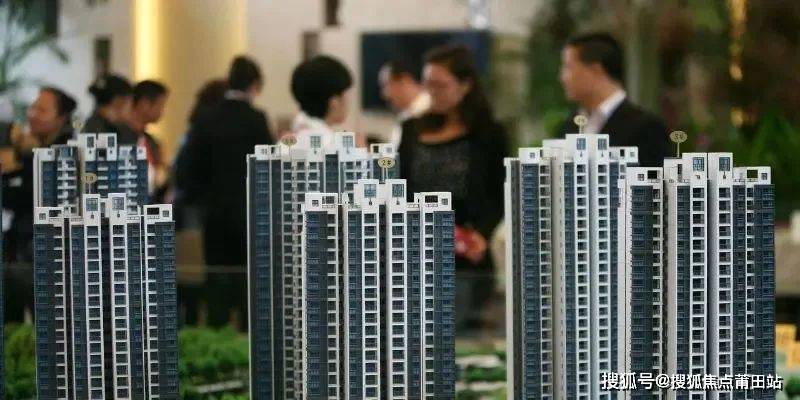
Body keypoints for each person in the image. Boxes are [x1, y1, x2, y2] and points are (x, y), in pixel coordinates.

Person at [398, 45, 508, 331]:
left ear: (465, 85)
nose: (431, 92)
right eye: (427, 83)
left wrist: (481, 234)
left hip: (466, 256)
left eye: (440, 85)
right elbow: (399, 187)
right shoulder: (411, 130)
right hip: (416, 252)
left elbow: (500, 194)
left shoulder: (489, 134)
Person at [176, 56, 273, 328]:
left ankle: (217, 333)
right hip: (250, 216)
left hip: (214, 216)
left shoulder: (207, 119)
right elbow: (268, 168)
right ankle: (247, 337)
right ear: (254, 85)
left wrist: (201, 199)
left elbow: (188, 169)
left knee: (216, 280)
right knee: (248, 284)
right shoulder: (256, 120)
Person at [2, 87, 77, 322]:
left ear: (61, 118)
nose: (32, 114)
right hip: (22, 247)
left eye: (42, 110)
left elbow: (26, 198)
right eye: (33, 107)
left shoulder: (64, 154)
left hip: (44, 254)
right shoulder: (34, 149)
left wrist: (13, 167)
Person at [559, 32, 670, 167]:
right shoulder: (570, 126)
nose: (562, 77)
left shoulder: (646, 129)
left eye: (568, 67)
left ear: (595, 70)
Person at [290, 55, 353, 146]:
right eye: (346, 95)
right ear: (334, 102)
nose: (349, 102)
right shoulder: (331, 146)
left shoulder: (285, 142)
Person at [127, 80, 169, 201]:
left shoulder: (151, 141)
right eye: (160, 105)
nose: (162, 111)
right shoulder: (123, 138)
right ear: (144, 103)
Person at [379, 60, 430, 147]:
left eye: (386, 85)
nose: (384, 95)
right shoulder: (407, 114)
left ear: (405, 80)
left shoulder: (428, 112)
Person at [84, 73, 137, 143]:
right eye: (130, 102)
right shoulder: (98, 131)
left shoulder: (96, 125)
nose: (132, 108)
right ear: (118, 102)